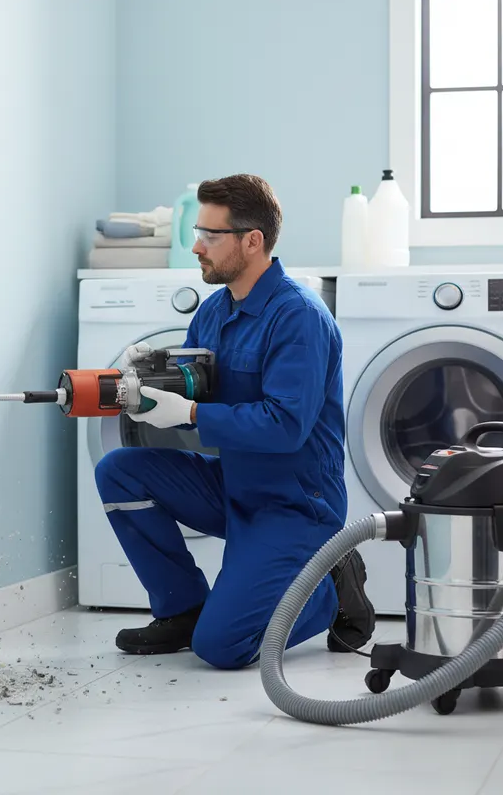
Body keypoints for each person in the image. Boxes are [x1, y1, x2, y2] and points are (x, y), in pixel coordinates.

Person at [94, 174, 374, 669]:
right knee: (118, 469)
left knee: (222, 648)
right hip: (233, 487)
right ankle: (182, 609)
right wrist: (150, 376)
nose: (196, 246)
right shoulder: (213, 312)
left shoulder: (299, 316)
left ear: (252, 241)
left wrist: (196, 413)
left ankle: (330, 587)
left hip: (294, 505)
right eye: (197, 232)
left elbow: (285, 425)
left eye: (209, 235)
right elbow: (196, 388)